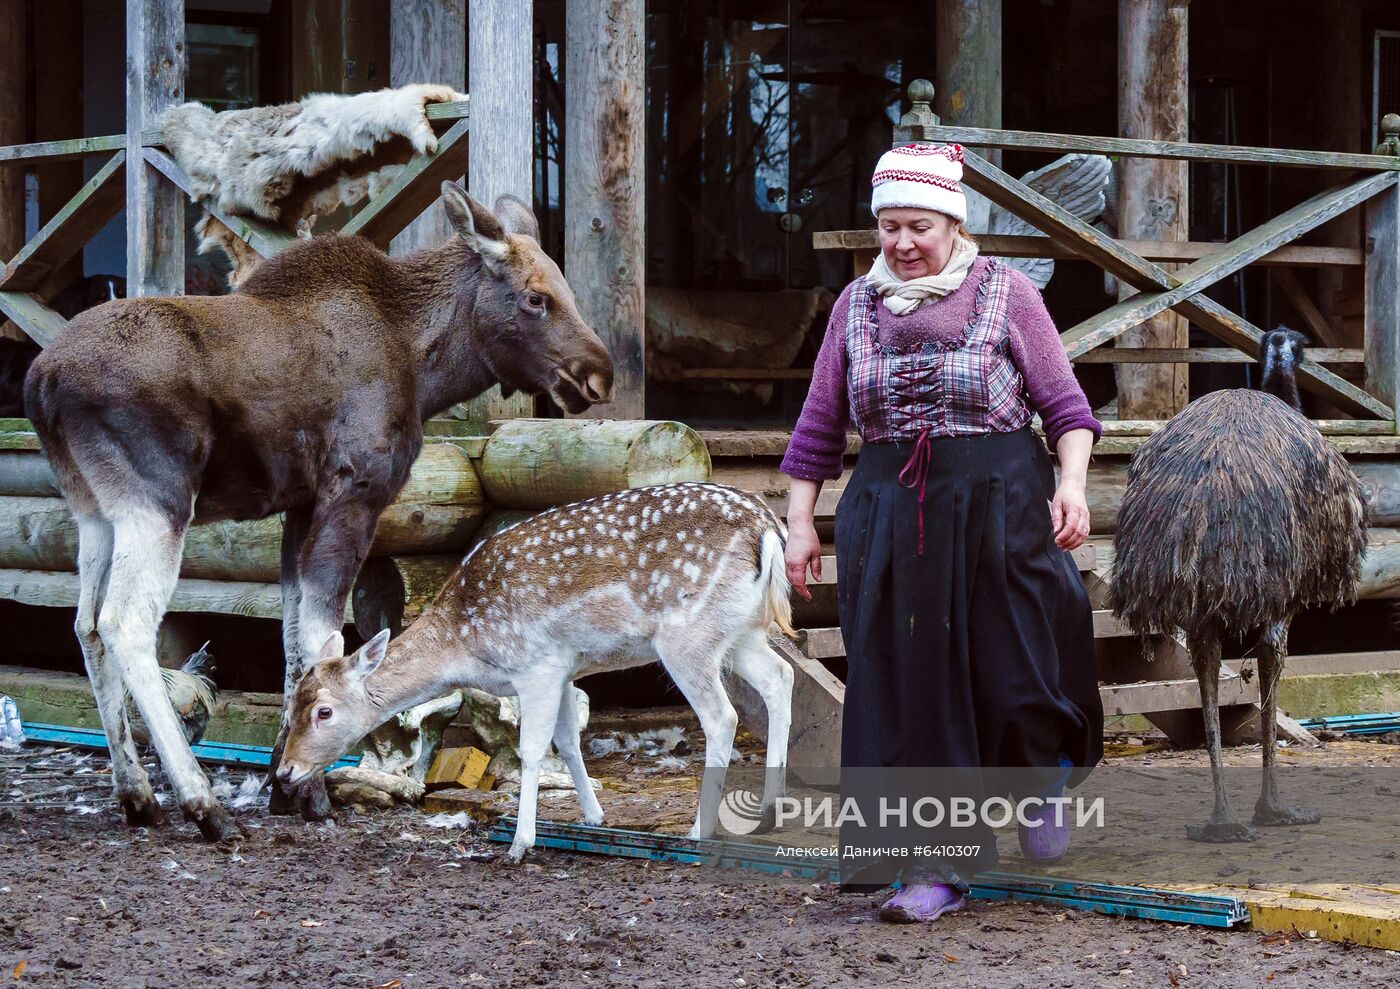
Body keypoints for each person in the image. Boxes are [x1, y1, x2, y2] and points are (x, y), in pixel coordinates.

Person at [781, 143, 1105, 923]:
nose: (900, 243)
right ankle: (935, 867)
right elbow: (819, 426)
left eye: (918, 226)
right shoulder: (855, 307)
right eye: (888, 226)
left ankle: (1039, 781)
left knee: (1021, 662)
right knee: (904, 690)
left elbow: (1067, 409)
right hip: (891, 517)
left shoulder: (1007, 293)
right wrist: (798, 522)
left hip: (1001, 504)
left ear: (954, 224)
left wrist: (1071, 486)